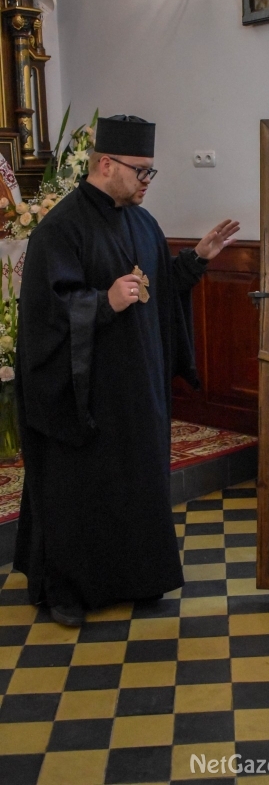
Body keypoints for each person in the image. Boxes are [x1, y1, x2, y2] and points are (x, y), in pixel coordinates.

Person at [14, 115, 239, 626]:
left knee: (137, 483)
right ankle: (68, 590)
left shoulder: (143, 224)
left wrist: (197, 260)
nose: (146, 181)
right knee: (80, 490)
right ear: (105, 165)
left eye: (150, 171)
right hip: (86, 393)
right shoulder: (59, 229)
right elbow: (47, 315)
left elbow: (159, 290)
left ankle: (136, 577)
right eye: (140, 170)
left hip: (138, 386)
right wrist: (103, 301)